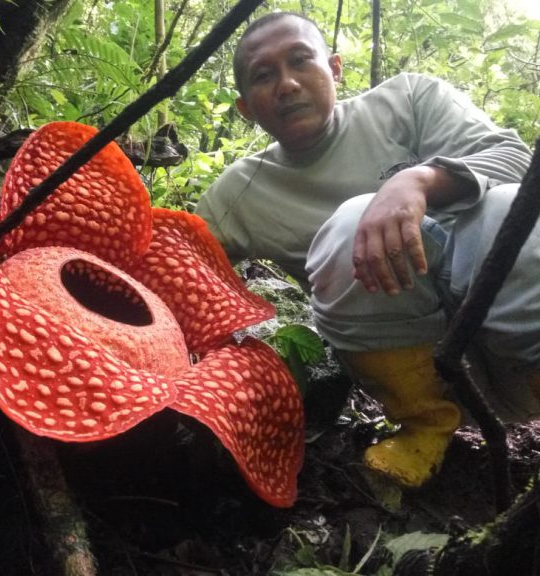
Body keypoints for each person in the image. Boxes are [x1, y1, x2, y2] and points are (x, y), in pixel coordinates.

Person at [195, 11, 538, 488]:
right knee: (353, 223)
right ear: (246, 108)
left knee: (507, 207)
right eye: (263, 75)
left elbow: (519, 163)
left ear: (335, 68)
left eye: (301, 60)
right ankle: (425, 428)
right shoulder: (240, 194)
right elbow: (178, 267)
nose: (287, 84)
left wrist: (418, 180)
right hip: (427, 380)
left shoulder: (408, 101)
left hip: (522, 353)